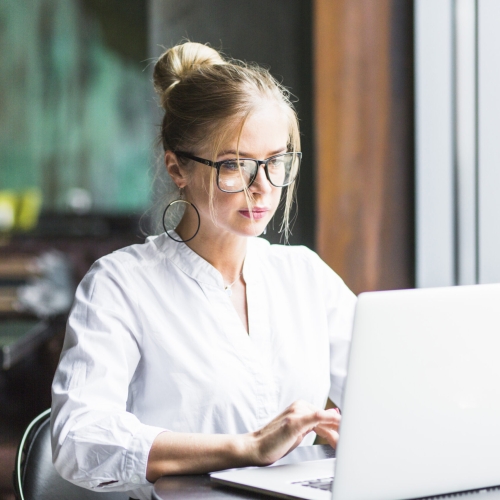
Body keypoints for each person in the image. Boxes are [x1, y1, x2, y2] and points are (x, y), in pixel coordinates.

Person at [50, 42, 357, 500]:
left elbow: (389, 396)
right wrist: (246, 448)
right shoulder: (121, 285)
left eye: (275, 162)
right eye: (234, 165)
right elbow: (80, 440)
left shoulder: (305, 276)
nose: (262, 188)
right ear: (178, 168)